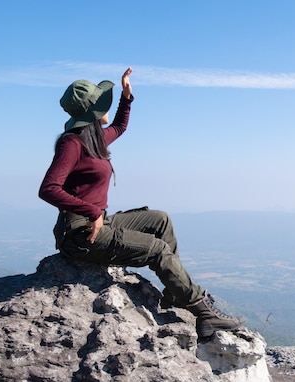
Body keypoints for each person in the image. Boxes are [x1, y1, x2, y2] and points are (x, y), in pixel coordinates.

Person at [39, 67, 244, 338]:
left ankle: (175, 293)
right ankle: (203, 313)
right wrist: (91, 211)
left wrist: (127, 97)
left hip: (99, 222)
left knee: (160, 219)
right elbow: (48, 189)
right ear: (91, 111)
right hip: (80, 234)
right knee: (158, 250)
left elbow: (120, 127)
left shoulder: (93, 139)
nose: (106, 106)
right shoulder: (72, 143)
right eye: (102, 102)